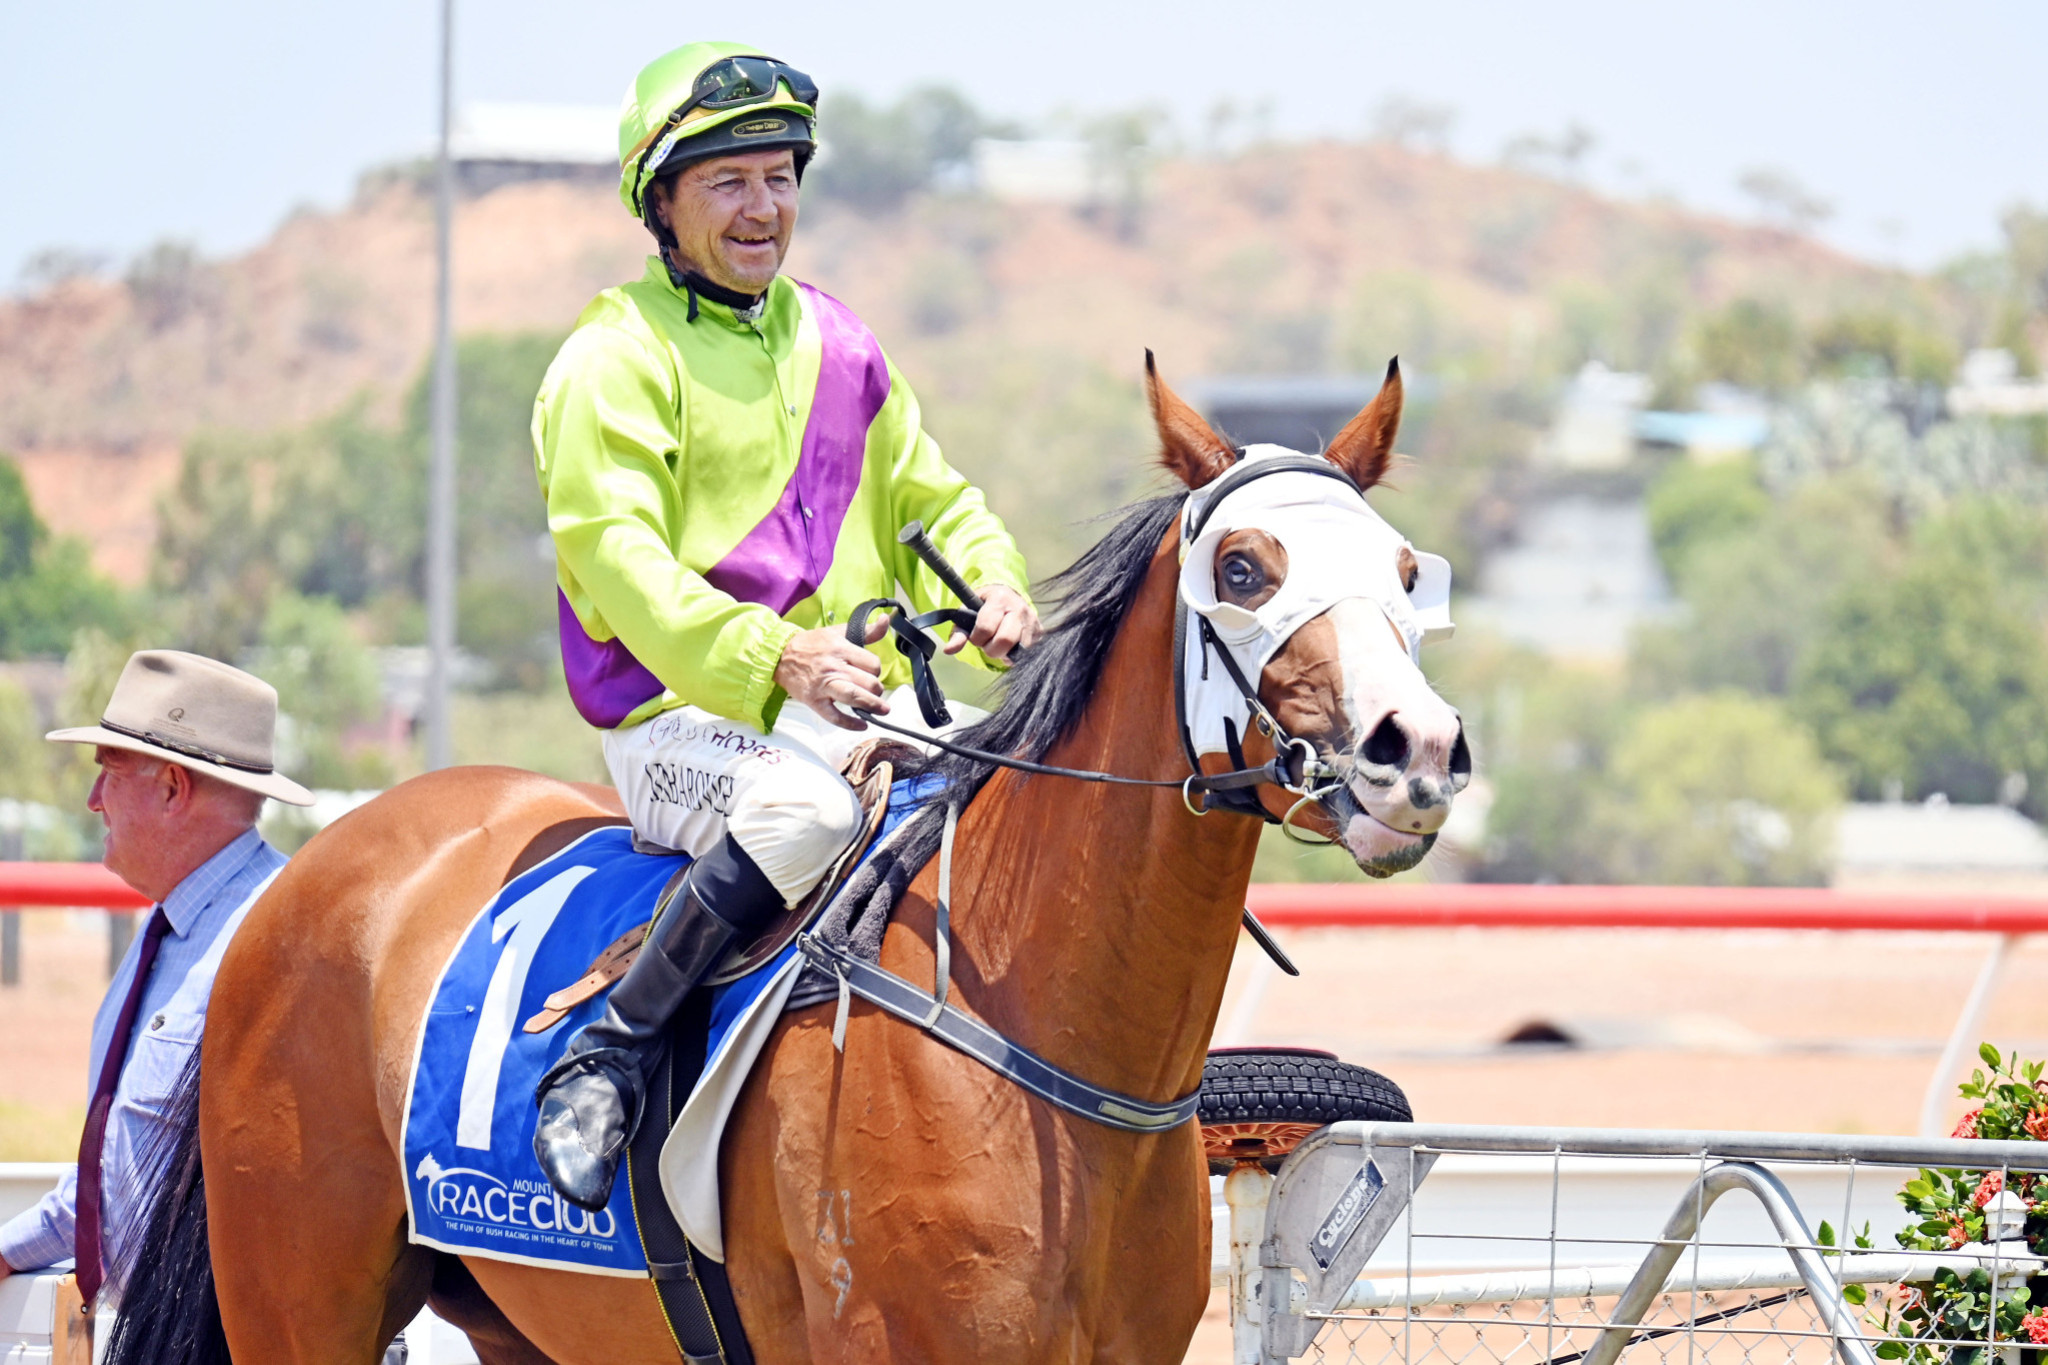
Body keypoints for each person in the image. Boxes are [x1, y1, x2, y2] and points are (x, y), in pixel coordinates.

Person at [529, 40, 1042, 1209]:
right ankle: (611, 1047)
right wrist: (778, 656)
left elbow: (935, 496)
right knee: (808, 807)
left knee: (1035, 788)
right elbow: (620, 568)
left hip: (857, 702)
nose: (763, 209)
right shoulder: (611, 358)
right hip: (679, 723)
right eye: (726, 183)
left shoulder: (841, 340)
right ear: (660, 204)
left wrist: (992, 577)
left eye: (779, 177)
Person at [0, 651, 313, 1307]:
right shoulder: (168, 927)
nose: (92, 801)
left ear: (173, 787)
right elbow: (119, 1181)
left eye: (107, 774)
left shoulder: (293, 931)